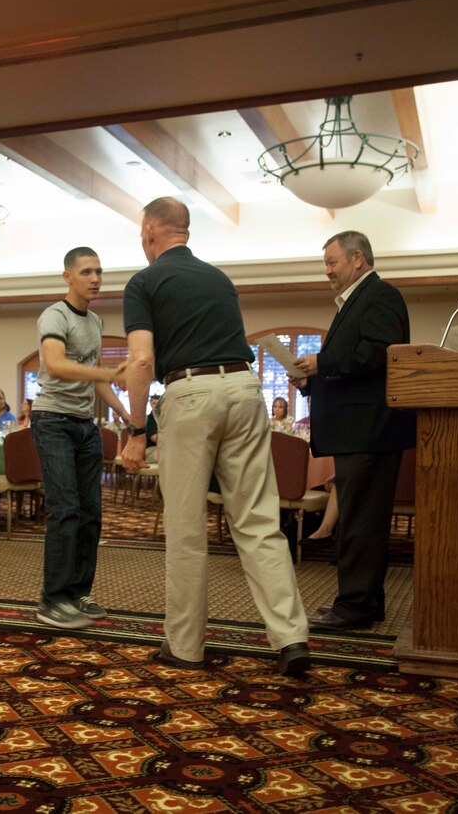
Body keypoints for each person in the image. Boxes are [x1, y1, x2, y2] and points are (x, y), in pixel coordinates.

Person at [122, 197, 310, 676]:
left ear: (148, 232)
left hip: (190, 393)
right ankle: (290, 637)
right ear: (185, 231)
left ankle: (184, 646)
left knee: (186, 530)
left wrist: (136, 428)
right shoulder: (219, 279)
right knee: (258, 522)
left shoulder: (144, 282)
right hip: (246, 389)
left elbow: (142, 361)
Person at [289, 231, 415, 631]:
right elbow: (356, 368)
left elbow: (378, 353)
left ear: (358, 259)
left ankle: (356, 607)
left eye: (332, 262)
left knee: (361, 521)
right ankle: (364, 603)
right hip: (358, 431)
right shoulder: (354, 303)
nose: (327, 271)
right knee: (360, 519)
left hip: (370, 430)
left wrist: (322, 363)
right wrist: (314, 381)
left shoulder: (380, 295)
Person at [31, 245, 130, 631]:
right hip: (53, 421)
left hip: (85, 425)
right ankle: (52, 599)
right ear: (68, 276)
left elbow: (95, 374)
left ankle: (77, 592)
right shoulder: (54, 316)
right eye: (87, 272)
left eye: (99, 272)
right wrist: (107, 375)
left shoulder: (96, 322)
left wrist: (125, 415)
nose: (95, 279)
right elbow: (55, 364)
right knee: (66, 508)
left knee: (91, 512)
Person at [145, 393, 160, 462]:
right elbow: (155, 438)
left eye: (158, 404)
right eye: (154, 403)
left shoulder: (163, 418)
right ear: (150, 404)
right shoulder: (150, 419)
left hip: (161, 448)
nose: (156, 406)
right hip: (151, 450)